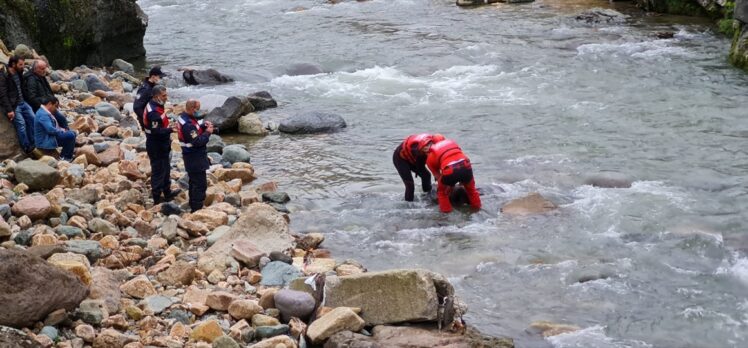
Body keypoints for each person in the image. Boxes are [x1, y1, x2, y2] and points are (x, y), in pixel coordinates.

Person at [144, 85, 180, 204]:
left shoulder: (157, 105)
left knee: (166, 169)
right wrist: (170, 130)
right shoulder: (153, 112)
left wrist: (168, 127)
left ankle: (167, 193)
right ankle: (157, 198)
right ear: (156, 96)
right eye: (164, 95)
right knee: (158, 171)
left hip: (162, 144)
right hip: (156, 145)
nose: (166, 97)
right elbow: (156, 131)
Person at [425, 138, 481, 213]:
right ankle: (477, 210)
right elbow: (465, 158)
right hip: (466, 166)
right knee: (471, 190)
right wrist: (462, 182)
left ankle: (446, 215)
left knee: (442, 193)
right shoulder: (452, 144)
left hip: (450, 171)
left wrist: (449, 186)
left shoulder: (431, 155)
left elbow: (438, 177)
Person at [177, 99, 214, 212]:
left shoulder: (185, 118)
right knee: (200, 184)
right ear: (192, 109)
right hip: (194, 157)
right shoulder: (188, 124)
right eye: (198, 108)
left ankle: (193, 204)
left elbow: (194, 133)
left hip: (191, 156)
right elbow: (197, 141)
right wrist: (208, 132)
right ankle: (197, 208)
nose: (199, 111)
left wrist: (202, 127)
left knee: (193, 182)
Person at [0, 56, 35, 153]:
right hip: (14, 105)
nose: (23, 66)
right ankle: (26, 147)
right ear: (13, 64)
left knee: (33, 119)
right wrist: (9, 110)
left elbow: (22, 89)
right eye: (20, 64)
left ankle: (33, 143)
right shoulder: (4, 75)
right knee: (21, 124)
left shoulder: (19, 72)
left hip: (23, 102)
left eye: (23, 64)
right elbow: (2, 94)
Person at [393, 133, 442, 202]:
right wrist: (436, 173)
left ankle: (427, 195)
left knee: (426, 175)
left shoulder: (429, 142)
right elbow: (420, 167)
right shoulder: (422, 149)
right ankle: (408, 205)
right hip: (400, 159)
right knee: (410, 185)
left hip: (412, 157)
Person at [34, 96, 76, 161]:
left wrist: (62, 130)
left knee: (72, 133)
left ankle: (66, 155)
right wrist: (62, 131)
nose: (56, 109)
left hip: (48, 137)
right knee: (70, 135)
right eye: (55, 106)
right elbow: (50, 130)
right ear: (50, 104)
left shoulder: (44, 111)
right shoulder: (43, 114)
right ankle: (65, 157)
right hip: (45, 140)